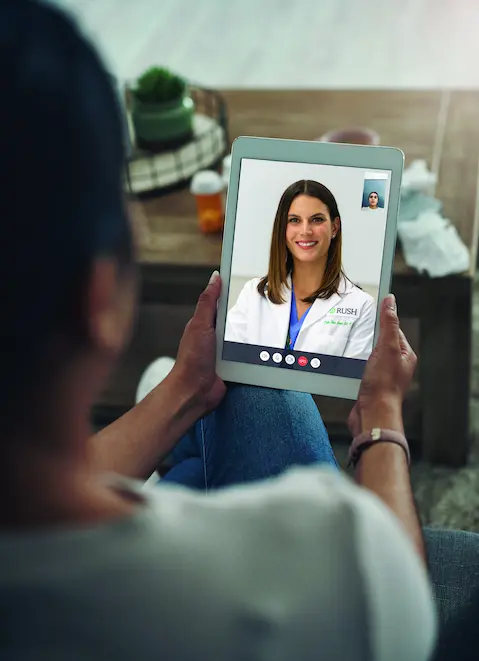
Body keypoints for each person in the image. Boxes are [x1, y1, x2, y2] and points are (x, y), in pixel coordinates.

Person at [3, 3, 479, 661]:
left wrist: (185, 388)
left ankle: (187, 428)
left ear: (334, 228)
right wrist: (380, 413)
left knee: (213, 420)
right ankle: (193, 436)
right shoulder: (328, 552)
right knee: (262, 393)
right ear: (99, 298)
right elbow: (400, 603)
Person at [225, 180, 376, 360]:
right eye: (294, 220)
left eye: (317, 220)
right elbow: (230, 369)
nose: (305, 231)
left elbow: (350, 385)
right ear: (282, 228)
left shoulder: (361, 306)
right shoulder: (252, 295)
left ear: (334, 227)